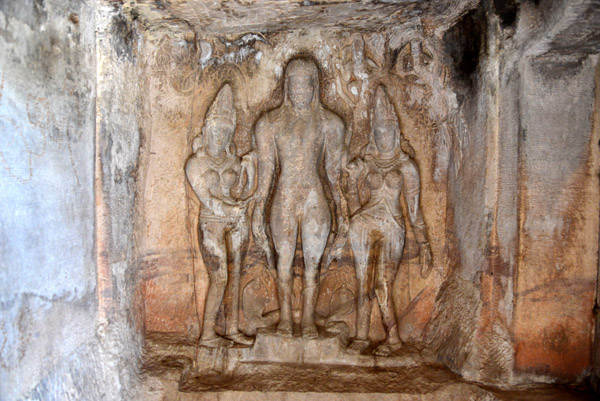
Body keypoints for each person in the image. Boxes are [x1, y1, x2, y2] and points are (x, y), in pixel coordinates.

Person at [252, 58, 349, 338]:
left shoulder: (330, 124)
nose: (299, 91)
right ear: (286, 87)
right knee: (283, 261)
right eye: (294, 85)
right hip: (284, 196)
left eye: (306, 85)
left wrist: (342, 213)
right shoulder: (269, 124)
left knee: (312, 263)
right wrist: (258, 211)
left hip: (313, 197)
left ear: (314, 87)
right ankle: (284, 317)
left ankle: (307, 319)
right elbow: (266, 175)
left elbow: (333, 176)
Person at [345, 85, 432, 356]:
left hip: (393, 226)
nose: (384, 137)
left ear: (396, 134)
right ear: (373, 134)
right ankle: (360, 335)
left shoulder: (407, 167)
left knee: (382, 283)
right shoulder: (367, 164)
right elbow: (352, 204)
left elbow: (415, 210)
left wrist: (424, 244)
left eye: (388, 132)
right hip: (363, 223)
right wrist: (351, 179)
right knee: (361, 281)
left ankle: (392, 337)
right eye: (379, 132)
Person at [185, 83, 257, 347]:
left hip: (237, 221)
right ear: (207, 129)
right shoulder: (196, 163)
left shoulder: (232, 162)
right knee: (219, 276)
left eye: (226, 131)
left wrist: (249, 171)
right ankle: (207, 334)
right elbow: (207, 198)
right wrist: (230, 209)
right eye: (217, 130)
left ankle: (233, 328)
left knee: (237, 273)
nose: (221, 135)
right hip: (212, 223)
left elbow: (242, 191)